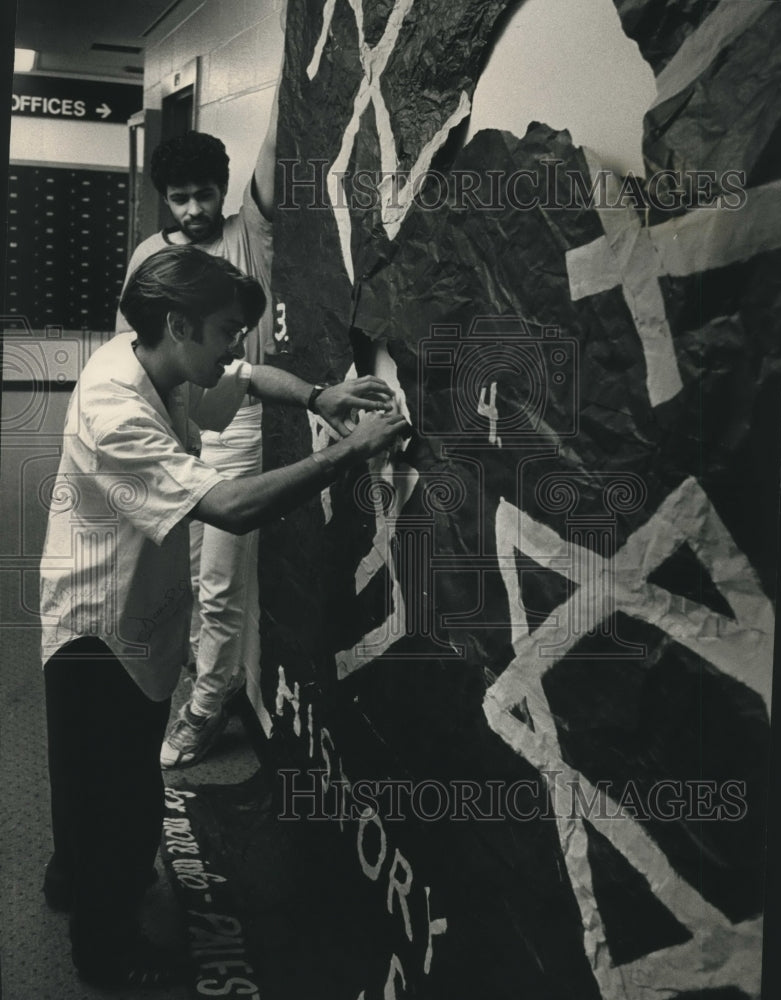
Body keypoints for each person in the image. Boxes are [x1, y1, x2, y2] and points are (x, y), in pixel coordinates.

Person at [40, 245, 407, 990]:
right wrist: (350, 451)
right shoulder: (117, 406)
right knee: (119, 796)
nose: (240, 345)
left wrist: (315, 399)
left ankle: (74, 876)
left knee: (94, 779)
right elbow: (231, 509)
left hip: (132, 617)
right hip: (97, 628)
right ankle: (103, 951)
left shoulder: (162, 358)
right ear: (180, 323)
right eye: (228, 330)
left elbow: (244, 378)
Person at [117, 101, 285, 767]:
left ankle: (209, 707)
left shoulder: (251, 232)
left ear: (224, 188)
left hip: (239, 427)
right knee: (182, 577)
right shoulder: (150, 258)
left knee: (220, 582)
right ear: (165, 199)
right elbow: (134, 355)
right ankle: (200, 676)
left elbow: (275, 147)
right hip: (176, 431)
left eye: (204, 194)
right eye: (180, 198)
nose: (194, 209)